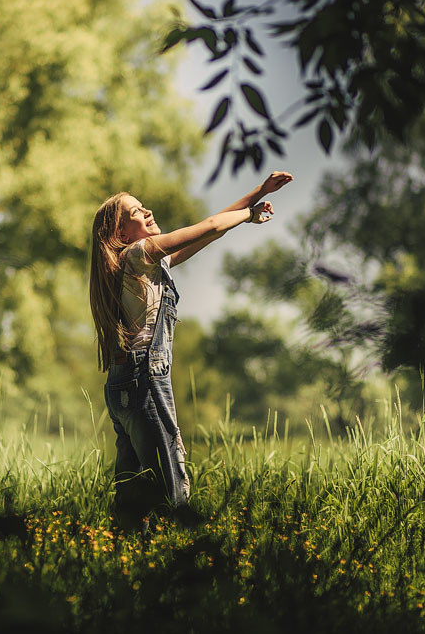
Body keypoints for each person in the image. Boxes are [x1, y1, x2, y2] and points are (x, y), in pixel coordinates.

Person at [89, 171, 293, 525]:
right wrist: (250, 213)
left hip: (122, 383)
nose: (147, 211)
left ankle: (122, 550)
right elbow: (210, 226)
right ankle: (175, 547)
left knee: (132, 499)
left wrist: (257, 193)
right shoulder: (139, 254)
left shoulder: (136, 264)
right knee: (170, 491)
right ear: (121, 234)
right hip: (144, 380)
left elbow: (211, 229)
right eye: (136, 212)